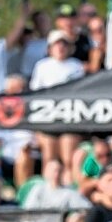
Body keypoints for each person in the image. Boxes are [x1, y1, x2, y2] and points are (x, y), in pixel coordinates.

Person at [31, 30, 85, 181]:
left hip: (68, 118)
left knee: (69, 158)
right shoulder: (42, 66)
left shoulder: (76, 66)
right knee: (49, 158)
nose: (60, 47)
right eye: (57, 44)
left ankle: (69, 190)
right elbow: (36, 94)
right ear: (50, 48)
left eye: (64, 44)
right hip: (47, 119)